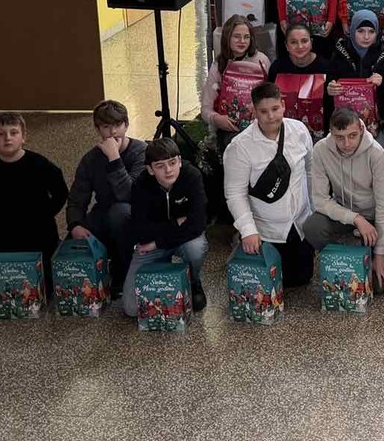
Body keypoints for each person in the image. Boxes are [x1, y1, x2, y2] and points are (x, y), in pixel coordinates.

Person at [224, 82, 315, 287]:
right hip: (266, 230)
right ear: (254, 111)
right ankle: (241, 241)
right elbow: (235, 193)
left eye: (275, 109)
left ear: (283, 105)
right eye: (263, 111)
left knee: (300, 279)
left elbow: (311, 170)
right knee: (271, 284)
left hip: (300, 224)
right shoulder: (239, 147)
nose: (271, 116)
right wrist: (248, 230)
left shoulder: (299, 130)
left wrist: (314, 209)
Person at [0, 113, 68, 302]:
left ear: (23, 137)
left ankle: (54, 247)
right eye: (1, 134)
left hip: (38, 230)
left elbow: (60, 192)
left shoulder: (41, 165)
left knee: (46, 287)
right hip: (1, 230)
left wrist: (44, 215)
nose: (7, 138)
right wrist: (1, 213)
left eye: (13, 132)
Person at [302, 108, 384, 292]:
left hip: (373, 216)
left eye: (352, 136)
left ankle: (372, 252)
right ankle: (344, 259)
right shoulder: (321, 150)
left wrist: (379, 254)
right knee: (312, 227)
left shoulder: (376, 152)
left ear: (361, 129)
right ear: (331, 133)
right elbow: (319, 200)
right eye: (339, 137)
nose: (346, 144)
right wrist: (355, 218)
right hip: (344, 213)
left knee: (378, 286)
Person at [66, 100, 146, 295]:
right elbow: (77, 199)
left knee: (120, 212)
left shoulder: (141, 151)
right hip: (104, 212)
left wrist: (114, 158)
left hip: (136, 215)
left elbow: (130, 195)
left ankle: (123, 272)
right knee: (72, 244)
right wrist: (75, 225)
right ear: (97, 129)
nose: (112, 132)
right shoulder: (90, 159)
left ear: (126, 125)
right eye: (106, 127)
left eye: (118, 125)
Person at [123, 137, 208, 316]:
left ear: (180, 161)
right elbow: (141, 231)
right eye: (160, 166)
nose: (168, 170)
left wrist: (157, 242)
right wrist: (175, 223)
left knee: (195, 248)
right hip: (152, 243)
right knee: (131, 309)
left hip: (167, 241)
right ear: (150, 169)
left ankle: (193, 280)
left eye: (172, 162)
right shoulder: (140, 185)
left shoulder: (192, 176)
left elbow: (197, 224)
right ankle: (162, 270)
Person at [202, 15, 271, 152]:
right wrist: (217, 119)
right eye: (237, 36)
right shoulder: (218, 66)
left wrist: (260, 105)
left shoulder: (262, 61)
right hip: (230, 130)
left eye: (246, 37)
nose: (242, 41)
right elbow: (205, 109)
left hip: (259, 126)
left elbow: (273, 96)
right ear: (227, 38)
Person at [268, 24, 332, 135]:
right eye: (293, 42)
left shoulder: (327, 67)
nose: (300, 46)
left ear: (311, 42)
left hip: (320, 131)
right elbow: (269, 98)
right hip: (284, 132)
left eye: (304, 41)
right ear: (286, 46)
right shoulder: (277, 68)